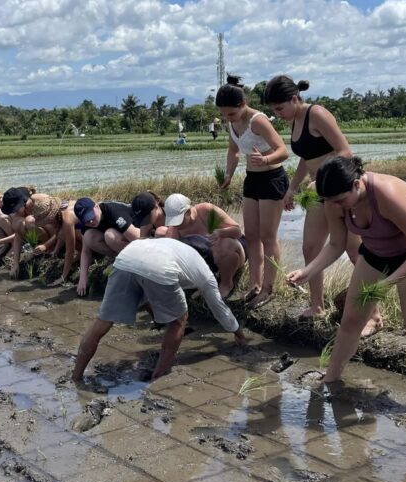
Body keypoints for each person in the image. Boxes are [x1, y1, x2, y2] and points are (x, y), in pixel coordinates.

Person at [287, 156, 406, 412]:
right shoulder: (334, 200)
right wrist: (307, 271)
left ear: (356, 184)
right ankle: (329, 380)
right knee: (351, 321)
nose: (335, 206)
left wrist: (388, 282)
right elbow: (336, 244)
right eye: (330, 201)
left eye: (340, 200)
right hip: (375, 253)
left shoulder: (387, 193)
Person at [266, 75, 372, 325]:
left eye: (279, 108)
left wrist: (322, 180)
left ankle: (373, 314)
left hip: (338, 190)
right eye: (273, 110)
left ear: (294, 98)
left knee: (355, 252)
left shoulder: (318, 114)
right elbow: (306, 157)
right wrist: (291, 188)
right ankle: (317, 306)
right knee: (310, 248)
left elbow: (345, 151)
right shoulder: (295, 120)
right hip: (317, 192)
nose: (278, 114)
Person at [73, 237, 247, 381]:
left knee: (103, 321)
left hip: (127, 257)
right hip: (158, 267)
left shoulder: (175, 244)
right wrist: (238, 333)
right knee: (179, 320)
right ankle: (157, 376)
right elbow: (218, 307)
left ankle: (76, 376)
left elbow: (145, 285)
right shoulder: (205, 272)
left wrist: (156, 316)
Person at [217, 75, 289, 307]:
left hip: (272, 179)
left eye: (231, 114)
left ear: (243, 104)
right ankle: (255, 285)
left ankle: (268, 288)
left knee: (268, 237)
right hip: (252, 180)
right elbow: (233, 151)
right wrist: (229, 174)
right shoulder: (231, 123)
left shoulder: (258, 121)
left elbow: (283, 150)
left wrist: (266, 159)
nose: (227, 118)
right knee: (252, 235)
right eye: (223, 114)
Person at [156, 193, 246, 298]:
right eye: (173, 222)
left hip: (234, 249)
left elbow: (237, 231)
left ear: (188, 212)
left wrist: (220, 233)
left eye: (179, 221)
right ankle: (203, 283)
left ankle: (226, 284)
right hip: (210, 259)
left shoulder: (205, 211)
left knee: (224, 244)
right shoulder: (175, 229)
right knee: (161, 233)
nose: (176, 225)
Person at [74, 197, 139, 296]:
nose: (91, 222)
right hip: (121, 241)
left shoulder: (114, 212)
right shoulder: (87, 224)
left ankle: (132, 261)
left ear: (96, 206)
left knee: (110, 236)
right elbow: (85, 251)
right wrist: (83, 278)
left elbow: (139, 239)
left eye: (91, 216)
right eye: (87, 220)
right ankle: (119, 259)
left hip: (138, 231)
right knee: (89, 237)